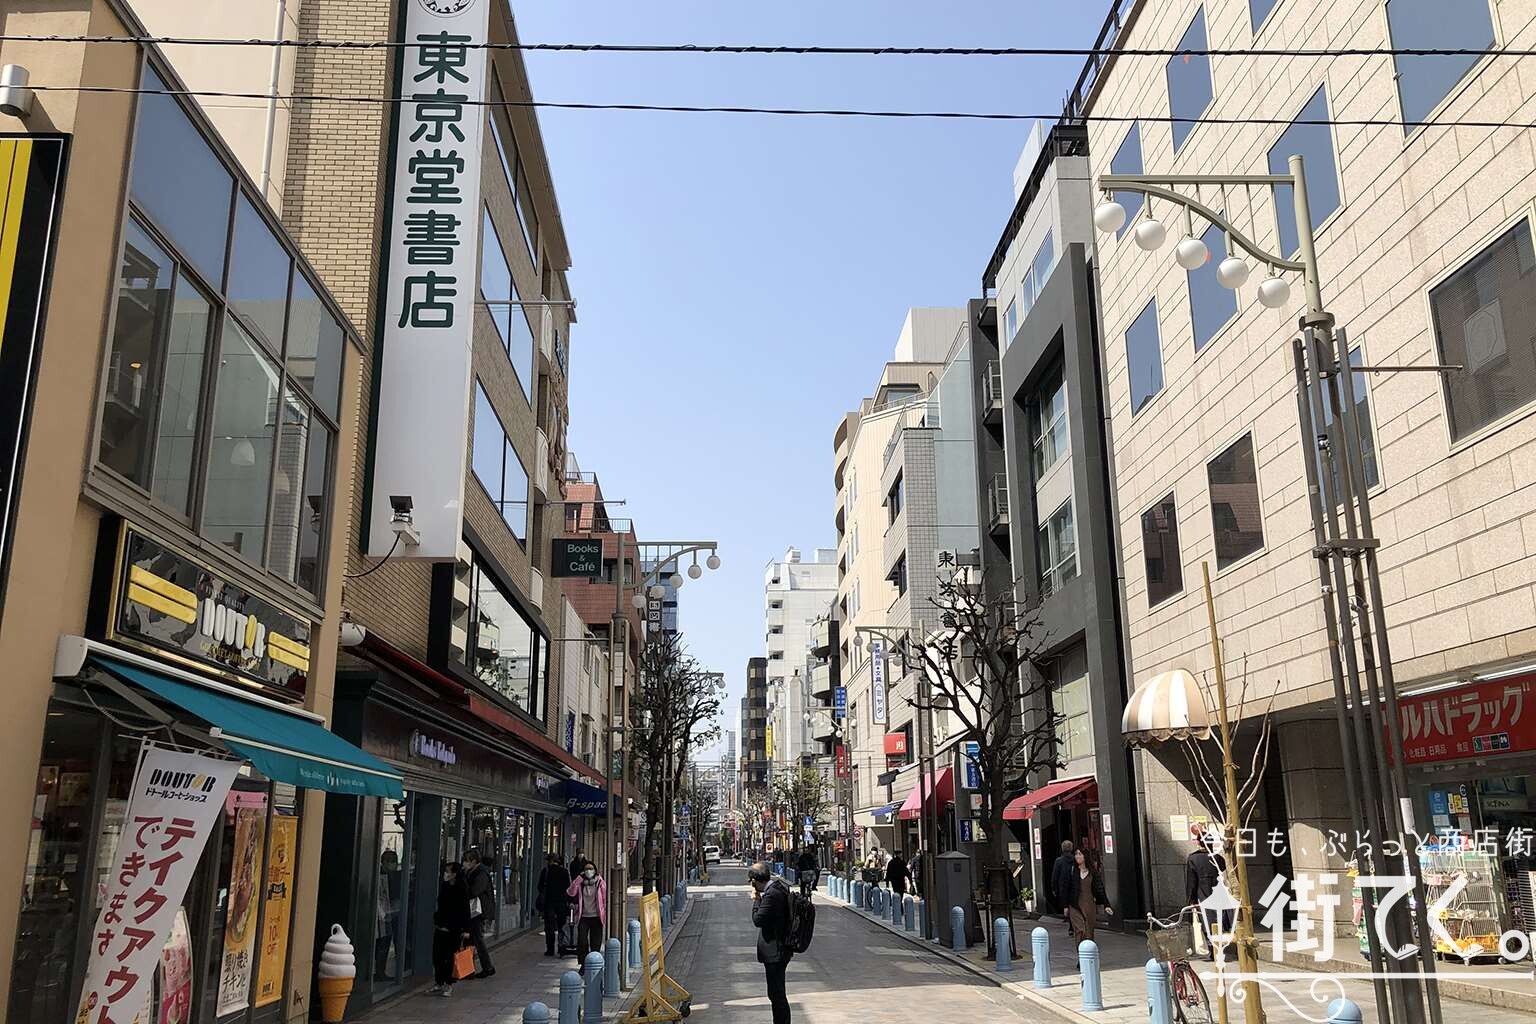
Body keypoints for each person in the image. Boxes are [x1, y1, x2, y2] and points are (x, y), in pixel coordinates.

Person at [748, 861, 793, 1024]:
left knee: (777, 994)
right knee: (776, 993)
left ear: (755, 880)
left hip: (775, 951)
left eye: (752, 881)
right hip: (780, 949)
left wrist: (756, 900)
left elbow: (758, 920)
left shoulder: (772, 895)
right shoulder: (779, 887)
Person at [1185, 826, 1231, 961]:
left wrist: (1191, 900)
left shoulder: (1193, 859)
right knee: (1218, 921)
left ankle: (1213, 950)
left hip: (1203, 894)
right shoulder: (1219, 858)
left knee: (1206, 922)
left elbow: (1192, 881)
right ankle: (1218, 949)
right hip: (1219, 894)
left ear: (1199, 842)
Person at [427, 861, 471, 998]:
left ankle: (449, 983)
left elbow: (465, 910)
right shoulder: (445, 886)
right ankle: (439, 982)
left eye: (448, 871)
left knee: (450, 957)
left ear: (454, 874)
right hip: (441, 926)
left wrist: (466, 929)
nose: (445, 874)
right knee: (437, 956)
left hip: (454, 928)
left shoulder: (461, 888)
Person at [567, 859, 608, 969]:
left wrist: (604, 914)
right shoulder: (580, 883)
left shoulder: (600, 883)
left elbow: (605, 899)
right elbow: (571, 892)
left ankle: (595, 964)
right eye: (586, 869)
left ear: (595, 870)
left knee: (595, 942)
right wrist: (578, 879)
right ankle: (583, 964)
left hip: (597, 917)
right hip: (583, 916)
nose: (588, 871)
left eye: (591, 869)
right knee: (582, 941)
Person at [462, 849, 496, 978]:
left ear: (474, 861)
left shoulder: (481, 873)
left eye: (466, 861)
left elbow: (474, 891)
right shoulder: (470, 872)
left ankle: (487, 967)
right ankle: (468, 969)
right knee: (469, 939)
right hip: (471, 911)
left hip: (478, 911)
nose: (464, 863)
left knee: (477, 939)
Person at [1067, 848, 1109, 941]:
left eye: (1080, 854)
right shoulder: (1072, 871)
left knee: (1089, 932)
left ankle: (1088, 949)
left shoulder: (1093, 873)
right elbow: (1065, 887)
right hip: (1075, 905)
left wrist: (1106, 904)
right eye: (1076, 854)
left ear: (1085, 856)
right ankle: (1080, 948)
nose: (1077, 856)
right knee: (1080, 930)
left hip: (1089, 904)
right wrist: (1065, 905)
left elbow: (1100, 888)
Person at [374, 849, 402, 980]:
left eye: (394, 861)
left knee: (385, 942)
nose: (393, 864)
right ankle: (379, 971)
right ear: (383, 862)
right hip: (383, 913)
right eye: (390, 861)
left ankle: (381, 971)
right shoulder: (380, 875)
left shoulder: (396, 875)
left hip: (391, 912)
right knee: (382, 943)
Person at [537, 853, 571, 957]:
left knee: (549, 927)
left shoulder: (546, 871)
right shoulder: (564, 871)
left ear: (550, 861)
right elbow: (568, 887)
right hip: (561, 903)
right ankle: (561, 946)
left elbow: (540, 886)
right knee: (561, 926)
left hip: (549, 902)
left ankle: (550, 949)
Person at [1050, 840, 1079, 932]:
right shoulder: (1075, 860)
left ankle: (1071, 924)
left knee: (1067, 905)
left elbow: (1055, 876)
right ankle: (1074, 925)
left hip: (1063, 887)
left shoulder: (1059, 861)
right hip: (1074, 886)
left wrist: (1054, 888)